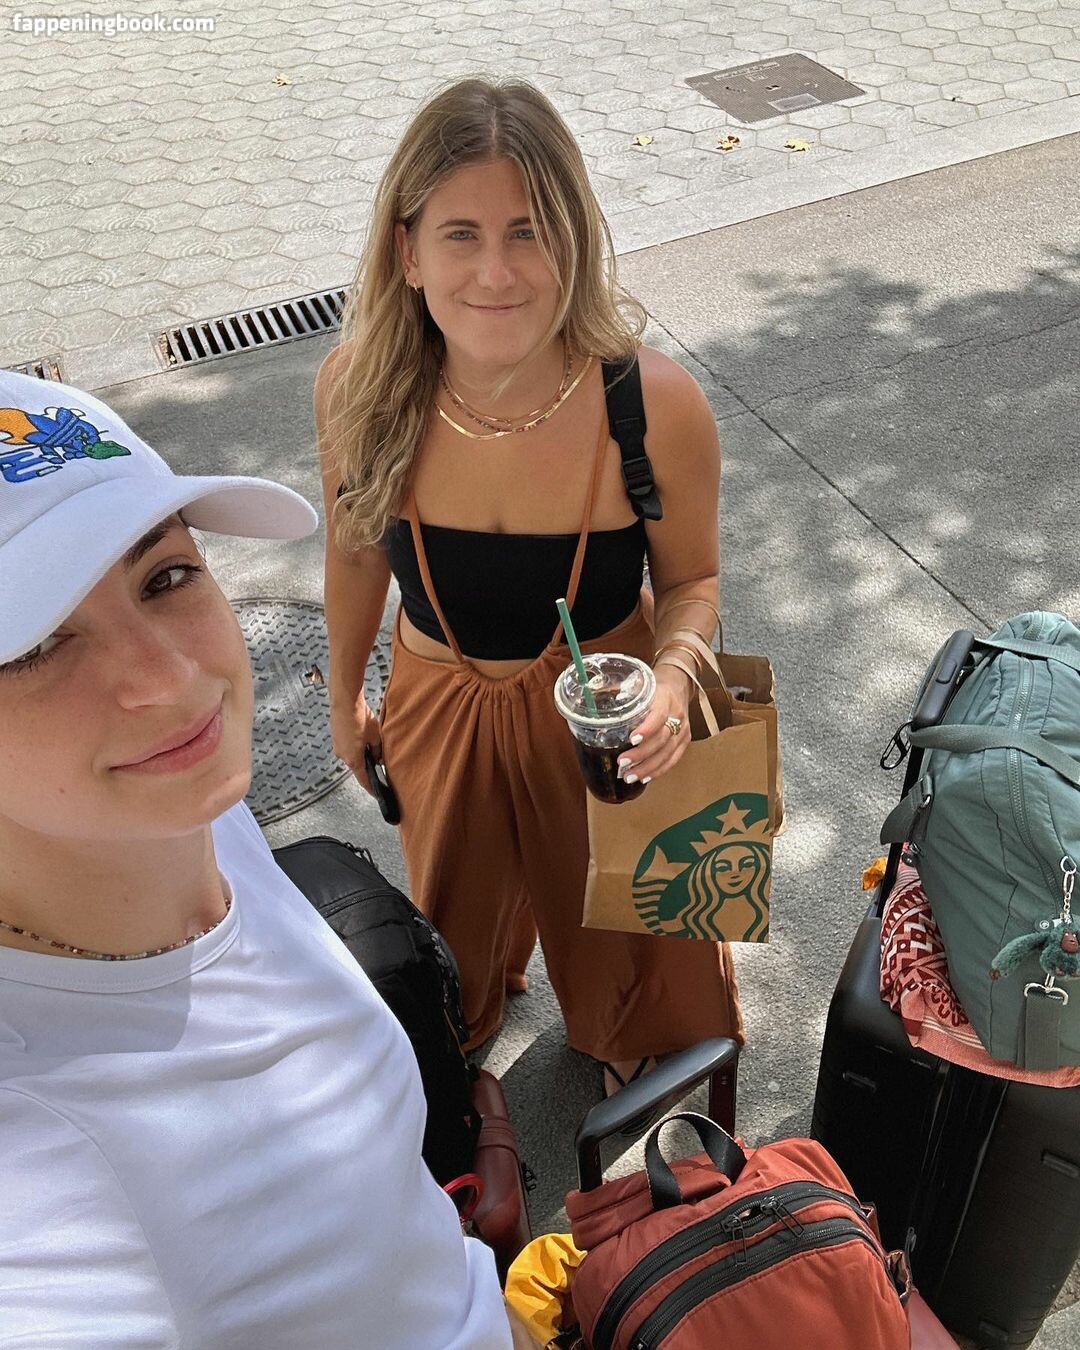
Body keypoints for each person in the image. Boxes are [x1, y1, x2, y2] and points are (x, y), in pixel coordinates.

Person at [0, 369, 530, 1348]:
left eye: (165, 577)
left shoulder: (180, 806)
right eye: (33, 646)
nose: (171, 680)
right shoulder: (44, 1194)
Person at [317, 76, 745, 1102]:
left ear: (575, 242)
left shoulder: (653, 401)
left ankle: (628, 1025)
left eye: (529, 231)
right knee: (449, 965)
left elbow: (693, 579)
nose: (497, 272)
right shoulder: (357, 388)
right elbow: (356, 552)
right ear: (406, 252)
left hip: (608, 711)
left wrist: (676, 684)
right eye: (460, 235)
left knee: (640, 982)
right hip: (435, 700)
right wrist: (344, 697)